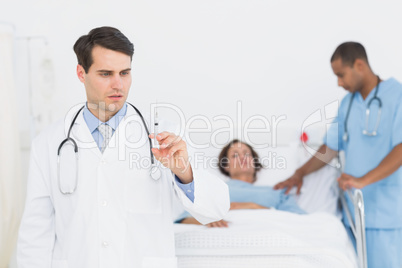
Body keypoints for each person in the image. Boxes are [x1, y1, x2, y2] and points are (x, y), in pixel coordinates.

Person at [17, 26, 230, 268]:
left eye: (125, 73)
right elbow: (35, 234)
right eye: (106, 74)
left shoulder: (166, 136)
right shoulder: (48, 143)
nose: (118, 84)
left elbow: (216, 209)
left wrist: (184, 172)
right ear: (81, 73)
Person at [274, 42, 402, 268]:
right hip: (353, 214)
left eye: (342, 75)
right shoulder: (348, 104)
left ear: (359, 65)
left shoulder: (397, 96)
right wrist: (299, 173)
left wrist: (363, 180)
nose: (339, 83)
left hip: (385, 215)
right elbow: (331, 147)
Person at [178, 139, 305, 228]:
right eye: (235, 156)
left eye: (246, 154)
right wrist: (206, 222)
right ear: (226, 166)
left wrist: (253, 206)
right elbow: (183, 220)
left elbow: (300, 220)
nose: (242, 158)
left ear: (254, 162)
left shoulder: (277, 192)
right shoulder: (214, 189)